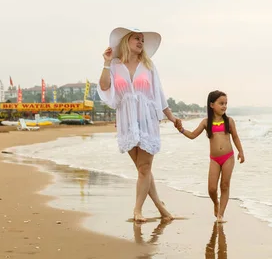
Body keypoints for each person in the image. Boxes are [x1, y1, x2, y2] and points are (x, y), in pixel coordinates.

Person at [97, 26, 182, 222]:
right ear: (127, 41)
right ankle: (162, 208)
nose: (140, 42)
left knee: (144, 168)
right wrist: (106, 63)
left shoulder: (149, 66)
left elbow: (159, 94)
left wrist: (171, 117)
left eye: (142, 39)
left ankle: (137, 210)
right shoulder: (116, 65)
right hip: (126, 121)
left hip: (147, 119)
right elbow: (104, 86)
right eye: (136, 38)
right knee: (143, 170)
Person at [175, 90, 245, 223]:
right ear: (212, 105)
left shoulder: (229, 121)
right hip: (214, 159)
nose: (224, 106)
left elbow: (235, 137)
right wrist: (181, 129)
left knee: (224, 185)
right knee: (212, 189)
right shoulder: (206, 122)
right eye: (221, 103)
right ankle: (215, 203)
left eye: (226, 103)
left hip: (228, 157)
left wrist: (241, 151)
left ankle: (220, 215)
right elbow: (192, 135)